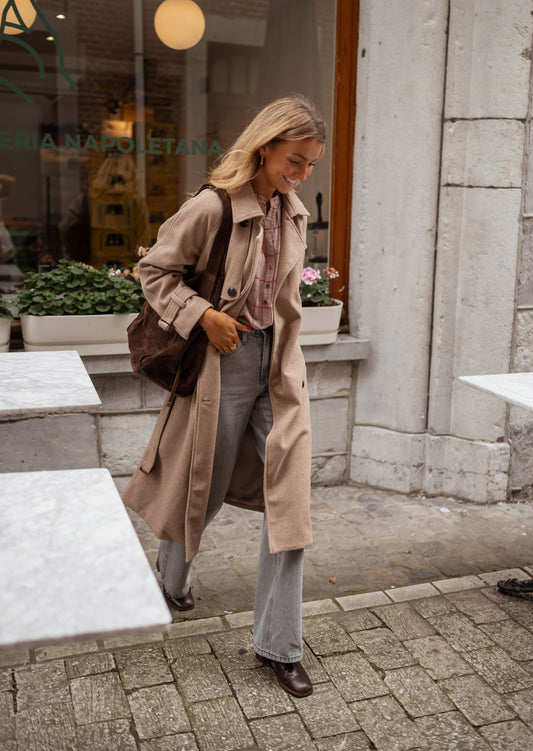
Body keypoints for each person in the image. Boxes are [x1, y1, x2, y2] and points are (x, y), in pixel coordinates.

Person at [123, 95, 326, 697]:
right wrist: (204, 315)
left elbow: (283, 298)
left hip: (278, 365)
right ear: (264, 148)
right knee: (202, 486)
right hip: (221, 361)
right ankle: (170, 580)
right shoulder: (212, 206)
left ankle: (279, 645)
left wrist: (288, 353)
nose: (302, 174)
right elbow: (155, 273)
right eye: (295, 160)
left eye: (311, 164)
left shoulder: (292, 212)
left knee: (290, 502)